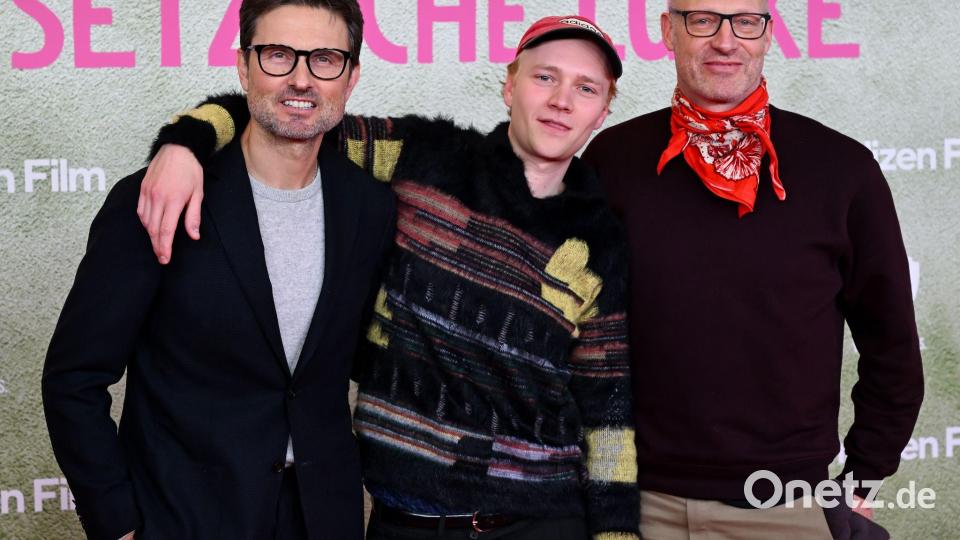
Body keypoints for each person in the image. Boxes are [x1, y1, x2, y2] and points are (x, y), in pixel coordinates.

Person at [133, 13, 639, 540]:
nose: (562, 100)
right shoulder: (423, 155)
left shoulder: (599, 240)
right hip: (404, 522)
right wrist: (183, 144)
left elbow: (607, 406)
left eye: (585, 88)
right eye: (545, 77)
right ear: (510, 86)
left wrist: (617, 534)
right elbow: (289, 115)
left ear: (602, 111)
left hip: (541, 523)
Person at [41, 1, 395, 539]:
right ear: (243, 65)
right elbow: (73, 379)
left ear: (351, 77)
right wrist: (118, 524)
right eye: (278, 55)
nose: (301, 79)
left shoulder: (370, 207)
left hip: (324, 518)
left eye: (325, 59)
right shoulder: (162, 197)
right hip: (184, 518)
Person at [581, 1, 923, 539]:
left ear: (767, 34)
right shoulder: (612, 162)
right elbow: (569, 335)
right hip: (638, 509)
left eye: (745, 21)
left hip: (789, 509)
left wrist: (860, 480)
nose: (725, 40)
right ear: (667, 31)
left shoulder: (843, 169)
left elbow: (894, 348)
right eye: (703, 19)